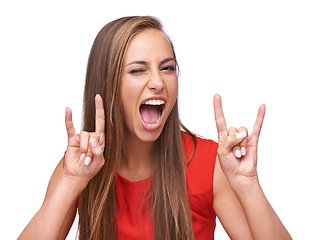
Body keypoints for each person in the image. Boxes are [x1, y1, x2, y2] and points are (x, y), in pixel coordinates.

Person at [18, 16, 292, 240]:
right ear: (108, 84)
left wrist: (248, 186)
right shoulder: (77, 167)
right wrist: (70, 185)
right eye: (138, 70)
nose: (158, 82)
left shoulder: (210, 164)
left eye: (167, 68)